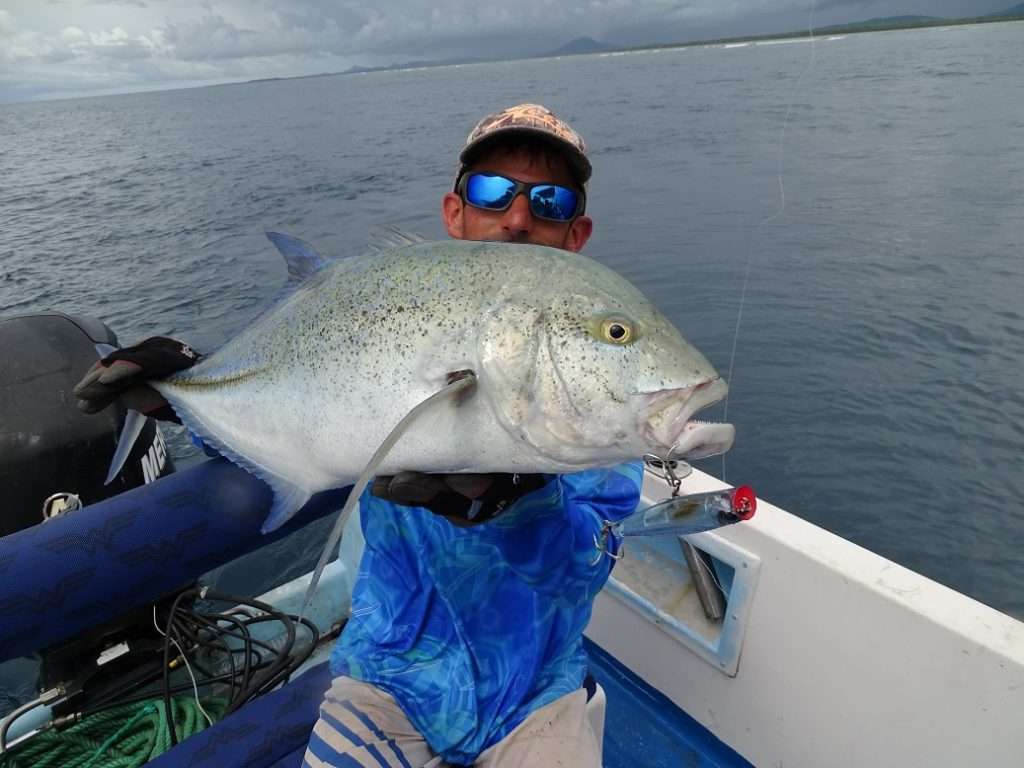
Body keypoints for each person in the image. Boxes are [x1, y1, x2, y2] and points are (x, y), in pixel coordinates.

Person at [74, 104, 643, 768]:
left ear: (576, 233)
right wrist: (186, 394)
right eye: (493, 191)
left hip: (537, 695)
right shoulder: (396, 312)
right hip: (387, 680)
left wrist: (508, 501)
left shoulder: (596, 395)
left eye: (549, 200)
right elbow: (311, 415)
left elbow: (585, 565)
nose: (517, 218)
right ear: (455, 212)